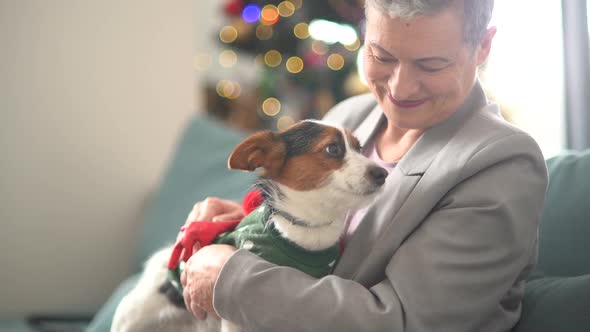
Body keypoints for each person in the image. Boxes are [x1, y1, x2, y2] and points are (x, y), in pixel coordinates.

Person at [180, 0, 548, 331]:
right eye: (382, 56)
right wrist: (265, 222)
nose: (400, 89)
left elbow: (405, 321)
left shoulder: (502, 163)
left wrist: (231, 277)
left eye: (431, 64)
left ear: (482, 45)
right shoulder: (349, 116)